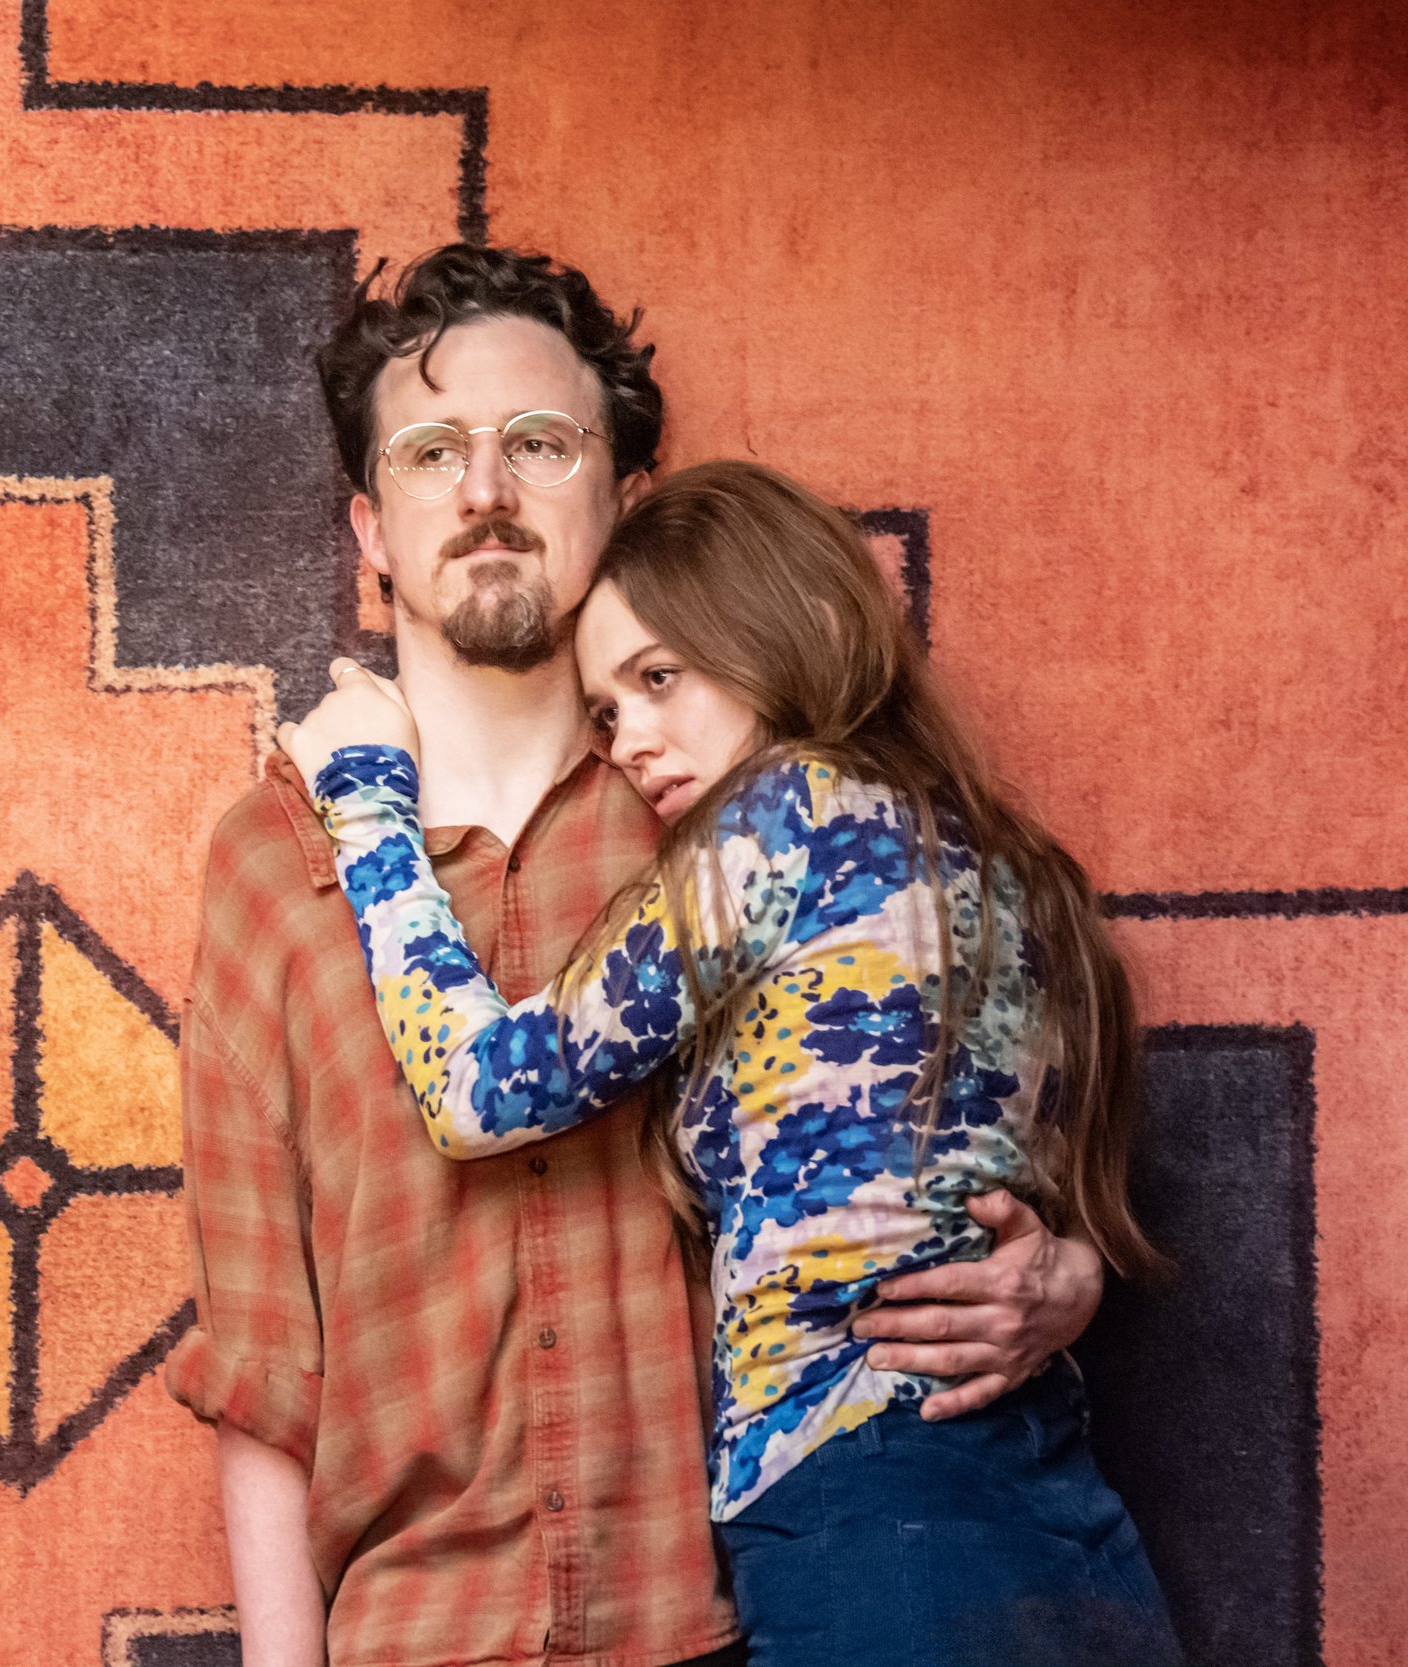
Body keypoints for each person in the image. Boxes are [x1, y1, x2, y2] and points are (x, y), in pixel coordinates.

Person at [163, 245, 1110, 1667]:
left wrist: (1064, 1276)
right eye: (431, 452)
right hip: (418, 1636)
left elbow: (953, 1102)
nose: (484, 490)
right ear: (371, 530)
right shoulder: (268, 861)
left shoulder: (733, 810)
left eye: (539, 443)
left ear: (626, 497)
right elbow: (260, 1360)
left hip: (749, 1615)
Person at [279, 459, 1184, 1667]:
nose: (632, 742)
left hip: (875, 1514)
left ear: (799, 627)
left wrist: (367, 796)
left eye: (660, 679)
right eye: (607, 713)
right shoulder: (1016, 865)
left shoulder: (780, 814)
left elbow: (480, 1088)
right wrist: (1072, 1274)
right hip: (1060, 1508)